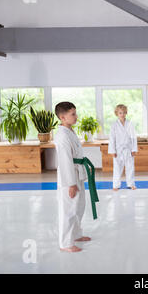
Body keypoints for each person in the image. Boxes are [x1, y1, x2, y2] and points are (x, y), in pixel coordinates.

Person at [54, 102, 91, 253]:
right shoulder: (62, 135)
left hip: (77, 172)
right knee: (68, 210)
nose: (76, 117)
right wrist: (71, 183)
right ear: (63, 117)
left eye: (75, 113)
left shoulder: (70, 131)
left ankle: (76, 234)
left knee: (79, 206)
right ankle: (65, 243)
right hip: (69, 176)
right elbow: (65, 161)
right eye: (72, 114)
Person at [108, 104, 138, 191]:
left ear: (126, 113)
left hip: (128, 149)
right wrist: (112, 151)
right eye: (120, 113)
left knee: (130, 167)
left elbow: (133, 137)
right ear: (117, 113)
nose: (122, 114)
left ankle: (131, 184)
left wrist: (134, 149)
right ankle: (116, 185)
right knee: (117, 168)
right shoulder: (114, 125)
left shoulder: (130, 124)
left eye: (124, 112)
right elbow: (112, 138)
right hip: (118, 150)